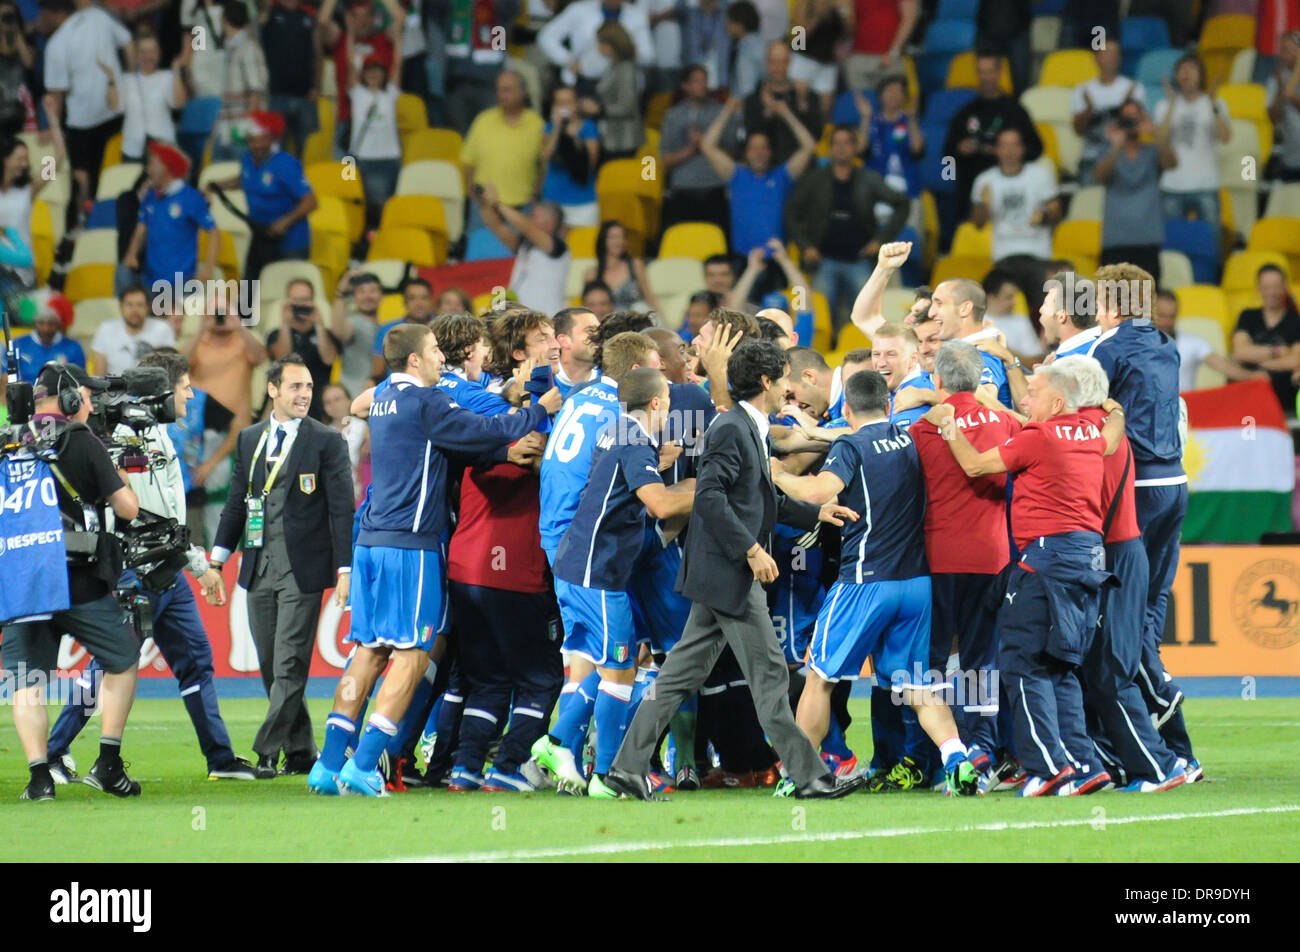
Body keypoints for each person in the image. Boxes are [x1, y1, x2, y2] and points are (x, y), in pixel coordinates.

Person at [602, 339, 866, 801]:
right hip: (731, 576)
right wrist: (750, 550)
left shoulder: (748, 426)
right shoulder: (731, 428)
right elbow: (709, 498)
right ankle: (811, 777)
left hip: (719, 576)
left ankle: (625, 769)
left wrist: (815, 515)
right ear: (766, 382)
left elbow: (755, 499)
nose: (788, 385)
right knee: (769, 676)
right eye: (783, 377)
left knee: (676, 679)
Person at [308, 324, 561, 796]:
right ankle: (363, 765)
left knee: (367, 652)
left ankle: (326, 763)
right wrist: (535, 410)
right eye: (433, 353)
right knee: (411, 655)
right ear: (414, 362)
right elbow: (488, 429)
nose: (441, 360)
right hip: (411, 545)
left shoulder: (382, 395)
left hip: (371, 540)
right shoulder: (428, 403)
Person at [45, 350, 257, 783]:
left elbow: (169, 512)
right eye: (183, 387)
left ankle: (219, 758)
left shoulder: (158, 436)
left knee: (196, 660)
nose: (191, 394)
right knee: (109, 662)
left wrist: (192, 565)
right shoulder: (122, 439)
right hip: (138, 568)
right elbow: (137, 513)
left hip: (169, 569)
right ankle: (52, 751)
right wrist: (198, 563)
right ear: (161, 392)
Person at [773, 368, 981, 795]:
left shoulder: (851, 444)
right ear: (887, 405)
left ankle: (799, 776)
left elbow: (817, 493)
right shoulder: (908, 436)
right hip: (916, 583)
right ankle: (958, 758)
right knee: (920, 687)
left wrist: (774, 474)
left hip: (865, 581)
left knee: (820, 678)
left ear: (845, 408)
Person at [921, 363, 1126, 796]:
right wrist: (1116, 409)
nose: (1024, 401)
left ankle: (1046, 768)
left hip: (1046, 560)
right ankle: (1085, 766)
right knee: (1061, 665)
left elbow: (976, 466)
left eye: (1032, 394)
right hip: (1087, 557)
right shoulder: (1091, 433)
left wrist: (948, 424)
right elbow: (1112, 437)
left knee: (1022, 662)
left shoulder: (1039, 436)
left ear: (1055, 402)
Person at [535, 368, 697, 797]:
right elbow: (660, 505)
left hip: (579, 565)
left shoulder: (617, 432)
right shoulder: (634, 441)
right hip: (596, 571)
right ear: (658, 403)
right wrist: (710, 489)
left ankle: (554, 744)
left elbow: (620, 483)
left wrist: (658, 464)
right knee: (622, 669)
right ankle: (607, 775)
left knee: (615, 665)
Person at [210, 354, 355, 778]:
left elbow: (342, 511)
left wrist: (346, 569)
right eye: (295, 386)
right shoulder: (250, 438)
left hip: (304, 569)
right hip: (257, 565)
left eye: (308, 387)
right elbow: (237, 503)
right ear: (273, 390)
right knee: (273, 666)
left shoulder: (327, 441)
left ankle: (265, 750)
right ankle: (301, 751)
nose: (304, 394)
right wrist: (218, 559)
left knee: (290, 663)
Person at [2, 363, 141, 801]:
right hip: (78, 581)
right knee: (123, 658)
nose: (90, 404)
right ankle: (109, 761)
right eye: (84, 397)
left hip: (23, 584)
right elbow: (128, 510)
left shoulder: (6, 445)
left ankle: (40, 777)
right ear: (69, 401)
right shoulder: (83, 441)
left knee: (26, 680)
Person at [1088, 262, 1201, 781]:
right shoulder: (1166, 343)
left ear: (1111, 303)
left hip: (1135, 489)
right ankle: (1175, 750)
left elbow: (1080, 409)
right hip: (1174, 483)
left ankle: (1164, 745)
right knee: (1147, 619)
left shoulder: (1106, 349)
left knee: (1119, 623)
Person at [1057, 355, 1188, 792]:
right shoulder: (1105, 425)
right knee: (1103, 667)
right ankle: (1127, 763)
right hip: (1119, 554)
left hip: (1109, 558)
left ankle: (1159, 766)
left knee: (1111, 671)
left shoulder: (1083, 434)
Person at [909, 341, 1019, 781]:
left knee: (930, 660)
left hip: (936, 557)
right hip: (994, 556)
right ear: (979, 379)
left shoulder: (922, 428)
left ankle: (941, 760)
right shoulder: (1009, 421)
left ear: (936, 380)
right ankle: (982, 750)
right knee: (981, 658)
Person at [786, 123, 908, 339]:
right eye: (837, 143)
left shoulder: (868, 178)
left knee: (867, 320)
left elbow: (902, 203)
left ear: (855, 148)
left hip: (859, 259)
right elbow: (790, 212)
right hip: (824, 260)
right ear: (830, 148)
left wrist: (881, 239)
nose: (841, 148)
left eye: (846, 143)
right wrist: (805, 246)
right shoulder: (815, 179)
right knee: (820, 323)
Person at [42, 0, 131, 229]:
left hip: (82, 121)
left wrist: (53, 128)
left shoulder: (56, 43)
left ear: (55, 13)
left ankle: (84, 223)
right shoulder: (98, 16)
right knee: (114, 173)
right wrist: (131, 81)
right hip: (115, 112)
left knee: (82, 176)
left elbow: (56, 96)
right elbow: (128, 43)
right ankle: (114, 221)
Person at [204, 110, 316, 281]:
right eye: (252, 140)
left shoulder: (286, 164)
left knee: (285, 288)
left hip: (290, 242)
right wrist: (217, 186)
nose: (257, 145)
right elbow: (246, 179)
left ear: (272, 139)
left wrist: (284, 222)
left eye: (262, 139)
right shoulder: (248, 159)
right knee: (249, 290)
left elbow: (311, 202)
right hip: (260, 236)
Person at [702, 94, 815, 260]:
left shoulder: (782, 176)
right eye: (753, 148)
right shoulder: (736, 175)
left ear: (770, 152)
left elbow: (809, 146)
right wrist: (727, 111)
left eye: (764, 148)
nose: (759, 153)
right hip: (742, 258)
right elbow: (707, 145)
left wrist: (786, 113)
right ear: (746, 153)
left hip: (777, 259)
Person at [970, 127, 1061, 316]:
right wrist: (983, 205)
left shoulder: (1040, 174)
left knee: (1044, 312)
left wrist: (1044, 217)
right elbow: (977, 224)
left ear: (1023, 149)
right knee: (1003, 312)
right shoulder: (984, 180)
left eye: (1015, 145)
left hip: (1038, 255)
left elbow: (1057, 213)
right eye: (1004, 146)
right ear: (996, 150)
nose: (1010, 151)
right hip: (1004, 256)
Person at [943, 52, 1042, 222]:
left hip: (1011, 187)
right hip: (971, 189)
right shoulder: (965, 113)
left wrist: (1005, 152)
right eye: (981, 72)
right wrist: (959, 150)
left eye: (990, 71)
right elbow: (947, 157)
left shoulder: (1015, 111)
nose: (986, 77)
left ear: (999, 73)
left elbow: (1036, 149)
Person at [122, 142, 219, 301]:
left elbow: (214, 233)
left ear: (165, 167)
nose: (148, 170)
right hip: (150, 282)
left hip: (180, 284)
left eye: (152, 164)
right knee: (122, 273)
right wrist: (131, 254)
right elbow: (141, 229)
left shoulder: (190, 197)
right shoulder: (150, 197)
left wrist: (208, 268)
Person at [1095, 100, 1175, 284]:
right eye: (1126, 120)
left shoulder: (1152, 151)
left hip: (1147, 240)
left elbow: (1172, 163)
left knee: (1147, 304)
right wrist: (1116, 144)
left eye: (1135, 119)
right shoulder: (1108, 152)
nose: (1131, 124)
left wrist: (1155, 133)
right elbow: (1100, 176)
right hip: (1115, 240)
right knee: (1113, 307)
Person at [1153, 54, 1231, 235]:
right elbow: (1160, 140)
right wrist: (1173, 104)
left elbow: (1226, 137)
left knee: (1210, 242)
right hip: (1172, 185)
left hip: (1207, 184)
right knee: (1172, 244)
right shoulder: (1164, 105)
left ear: (1201, 75)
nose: (1186, 72)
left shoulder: (1215, 103)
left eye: (1191, 68)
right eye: (1181, 69)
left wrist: (1212, 104)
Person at [473, 184, 571, 317]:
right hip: (519, 319)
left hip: (547, 319)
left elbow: (527, 227)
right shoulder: (524, 246)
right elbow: (497, 227)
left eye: (534, 216)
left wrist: (497, 203)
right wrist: (483, 204)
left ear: (551, 223)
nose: (529, 219)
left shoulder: (558, 247)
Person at [460, 70, 545, 215]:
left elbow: (543, 165)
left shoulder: (537, 124)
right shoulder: (483, 120)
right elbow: (468, 162)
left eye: (507, 90)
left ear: (523, 93)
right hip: (484, 206)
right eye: (498, 90)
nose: (501, 95)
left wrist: (536, 195)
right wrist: (472, 192)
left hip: (521, 207)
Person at [659, 64, 728, 234]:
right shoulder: (673, 115)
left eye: (704, 80)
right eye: (696, 81)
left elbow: (735, 154)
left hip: (715, 187)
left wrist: (706, 144)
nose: (702, 85)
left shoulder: (721, 112)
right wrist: (690, 150)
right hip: (683, 188)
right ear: (685, 86)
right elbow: (663, 160)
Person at [536, 0, 655, 93]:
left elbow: (648, 56)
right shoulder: (579, 10)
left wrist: (619, 49)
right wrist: (568, 60)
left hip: (621, 83)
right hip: (584, 81)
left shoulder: (637, 15)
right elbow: (546, 37)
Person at [1070, 38, 1145, 185]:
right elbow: (1078, 130)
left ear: (1120, 58)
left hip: (1124, 155)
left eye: (1115, 53)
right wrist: (1089, 110)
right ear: (1097, 58)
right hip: (1091, 157)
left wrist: (1126, 107)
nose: (1111, 56)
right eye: (1106, 52)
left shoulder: (1134, 88)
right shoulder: (1082, 90)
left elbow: (1137, 129)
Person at [105, 30, 187, 163]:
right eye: (143, 52)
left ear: (159, 53)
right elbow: (116, 107)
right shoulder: (126, 80)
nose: (148, 56)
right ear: (136, 55)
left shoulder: (167, 77)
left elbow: (178, 104)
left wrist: (177, 72)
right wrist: (111, 79)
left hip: (164, 149)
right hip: (132, 150)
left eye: (152, 51)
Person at [1153, 290, 1255, 392]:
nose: (1167, 322)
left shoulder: (1192, 343)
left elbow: (1223, 366)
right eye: (1161, 316)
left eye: (1172, 316)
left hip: (1182, 405)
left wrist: (1253, 376)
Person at [1230, 264, 1300, 412]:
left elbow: (1295, 360)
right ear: (1259, 289)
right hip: (1246, 388)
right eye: (1266, 287)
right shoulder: (1248, 316)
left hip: (1282, 392)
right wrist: (1278, 352)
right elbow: (1240, 351)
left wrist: (1259, 364)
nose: (1272, 292)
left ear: (1284, 287)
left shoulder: (1296, 320)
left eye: (1276, 286)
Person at [741, 41, 822, 167]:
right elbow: (750, 142)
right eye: (774, 62)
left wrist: (802, 104)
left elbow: (817, 136)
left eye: (783, 62)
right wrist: (767, 114)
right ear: (766, 63)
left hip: (803, 169)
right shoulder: (754, 99)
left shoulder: (807, 95)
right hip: (768, 171)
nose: (778, 68)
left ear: (790, 63)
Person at [1, 131, 64, 289]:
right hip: (2, 270)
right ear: (5, 159)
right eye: (19, 159)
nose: (24, 164)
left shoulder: (28, 190)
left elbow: (59, 157)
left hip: (25, 272)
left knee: (26, 314)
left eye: (26, 160)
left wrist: (53, 119)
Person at [268, 277, 338, 420]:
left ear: (313, 302)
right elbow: (282, 359)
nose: (300, 305)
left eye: (305, 300)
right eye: (296, 300)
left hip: (318, 402)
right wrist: (285, 324)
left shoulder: (325, 334)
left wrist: (319, 324)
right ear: (287, 302)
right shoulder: (277, 334)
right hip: (286, 401)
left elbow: (329, 358)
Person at [859, 76, 924, 230]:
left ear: (904, 96)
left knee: (909, 239)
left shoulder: (910, 120)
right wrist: (866, 117)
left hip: (908, 190)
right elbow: (860, 149)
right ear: (880, 95)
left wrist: (912, 120)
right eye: (889, 91)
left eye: (899, 91)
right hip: (876, 189)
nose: (894, 95)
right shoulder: (872, 121)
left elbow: (917, 149)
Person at [208, 0, 269, 163]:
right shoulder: (230, 48)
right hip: (225, 130)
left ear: (224, 20)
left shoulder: (249, 48)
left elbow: (255, 91)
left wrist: (245, 130)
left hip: (240, 133)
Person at [259, 0, 320, 158]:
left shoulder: (307, 16)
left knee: (309, 151)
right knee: (275, 151)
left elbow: (317, 53)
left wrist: (317, 86)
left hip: (305, 96)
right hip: (277, 95)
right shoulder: (269, 13)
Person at [348, 54, 402, 229]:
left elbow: (398, 64)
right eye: (370, 71)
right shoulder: (357, 93)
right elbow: (350, 67)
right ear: (363, 75)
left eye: (378, 71)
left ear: (384, 74)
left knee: (383, 208)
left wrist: (399, 39)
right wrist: (351, 33)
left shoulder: (390, 94)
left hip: (388, 158)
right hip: (362, 158)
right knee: (360, 206)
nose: (374, 75)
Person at [541, 85, 601, 227]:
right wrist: (557, 128)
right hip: (553, 201)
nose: (565, 107)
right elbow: (545, 156)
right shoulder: (549, 129)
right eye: (560, 103)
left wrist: (574, 139)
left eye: (569, 102)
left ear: (576, 104)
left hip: (582, 201)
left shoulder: (588, 127)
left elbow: (590, 163)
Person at [582, 22, 643, 161]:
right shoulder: (614, 66)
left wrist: (599, 109)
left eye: (600, 43)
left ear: (610, 45)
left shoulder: (626, 69)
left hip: (623, 140)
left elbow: (627, 105)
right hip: (611, 136)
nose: (598, 47)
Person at [91, 284, 177, 376]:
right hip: (114, 388)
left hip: (153, 387)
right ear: (121, 308)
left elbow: (170, 370)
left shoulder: (162, 329)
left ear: (147, 308)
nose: (134, 310)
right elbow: (99, 375)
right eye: (129, 305)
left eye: (140, 305)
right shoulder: (106, 329)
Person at [585, 220, 662, 315]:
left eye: (622, 237)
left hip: (636, 320)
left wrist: (663, 323)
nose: (619, 241)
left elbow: (649, 297)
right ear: (603, 240)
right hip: (608, 322)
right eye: (613, 237)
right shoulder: (592, 274)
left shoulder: (635, 265)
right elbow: (588, 307)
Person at [328, 269, 383, 398]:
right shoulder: (353, 323)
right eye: (362, 291)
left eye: (373, 291)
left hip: (378, 396)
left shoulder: (385, 327)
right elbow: (339, 331)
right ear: (354, 297)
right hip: (353, 396)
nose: (368, 296)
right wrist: (340, 293)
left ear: (381, 295)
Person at [13, 292, 84, 382]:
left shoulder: (74, 348)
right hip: (25, 395)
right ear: (34, 322)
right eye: (41, 323)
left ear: (59, 324)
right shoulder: (17, 345)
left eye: (51, 323)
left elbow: (81, 383)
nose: (46, 329)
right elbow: (6, 382)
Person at [321, 382, 369, 500]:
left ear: (348, 400)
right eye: (328, 402)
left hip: (361, 492)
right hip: (333, 493)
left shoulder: (363, 427)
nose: (333, 405)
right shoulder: (323, 433)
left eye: (337, 399)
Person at [981, 268, 1042, 362]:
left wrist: (1003, 349)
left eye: (1015, 296)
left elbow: (1036, 361)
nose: (1015, 302)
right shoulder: (974, 320)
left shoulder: (1021, 321)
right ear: (991, 297)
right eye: (1008, 297)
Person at [1267, 31, 1300, 183]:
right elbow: (1273, 118)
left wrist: (1290, 95)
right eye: (1281, 50)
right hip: (1291, 159)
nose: (1282, 54)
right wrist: (1281, 88)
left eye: (1287, 50)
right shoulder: (1276, 78)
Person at [720, 0, 766, 98]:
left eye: (729, 20)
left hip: (748, 107)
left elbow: (746, 88)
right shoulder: (761, 42)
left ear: (739, 24)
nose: (725, 24)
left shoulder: (747, 48)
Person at [554, 305, 600, 396]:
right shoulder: (540, 381)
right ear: (564, 340)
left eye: (599, 331)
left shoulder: (612, 380)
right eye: (590, 331)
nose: (598, 337)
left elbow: (623, 409)